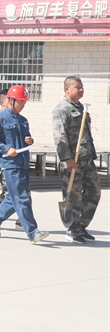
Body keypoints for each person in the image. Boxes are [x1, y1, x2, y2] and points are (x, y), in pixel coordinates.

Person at [0, 85, 49, 244]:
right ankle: (33, 233)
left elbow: (26, 138)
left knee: (15, 198)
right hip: (9, 164)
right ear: (11, 100)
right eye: (20, 102)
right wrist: (6, 149)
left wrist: (29, 140)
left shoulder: (23, 120)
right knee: (22, 199)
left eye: (24, 102)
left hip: (23, 163)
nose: (23, 105)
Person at [53, 76, 100, 244]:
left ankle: (81, 225)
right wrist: (66, 158)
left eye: (82, 87)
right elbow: (59, 136)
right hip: (72, 161)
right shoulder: (61, 109)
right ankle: (73, 229)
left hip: (87, 158)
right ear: (67, 89)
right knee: (73, 197)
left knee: (94, 192)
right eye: (77, 87)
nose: (81, 90)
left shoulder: (81, 108)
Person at [0, 90, 22, 230]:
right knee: (11, 193)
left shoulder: (18, 118)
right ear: (4, 102)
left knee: (21, 193)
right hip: (4, 164)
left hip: (18, 162)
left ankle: (21, 222)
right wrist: (4, 150)